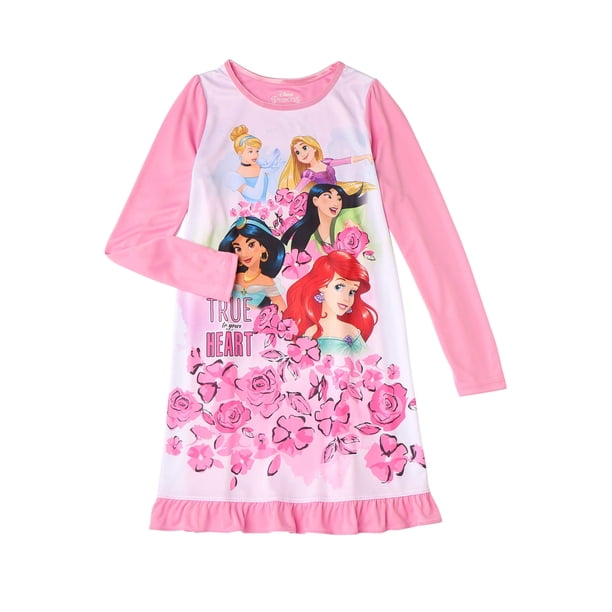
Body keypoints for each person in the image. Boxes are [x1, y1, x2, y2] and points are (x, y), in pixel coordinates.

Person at [282, 250, 378, 355]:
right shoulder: (311, 332)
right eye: (339, 287)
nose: (346, 298)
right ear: (322, 286)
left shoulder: (351, 331)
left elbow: (367, 359)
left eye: (352, 292)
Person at [218, 216, 287, 311]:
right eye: (238, 249)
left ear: (263, 247)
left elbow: (282, 310)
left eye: (251, 245)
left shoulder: (267, 282)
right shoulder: (233, 277)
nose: (244, 254)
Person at [281, 183, 367, 254]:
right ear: (315, 201)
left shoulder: (347, 221)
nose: (336, 203)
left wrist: (358, 231)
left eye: (339, 199)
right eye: (329, 196)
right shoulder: (307, 236)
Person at [278, 134, 375, 195]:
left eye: (304, 148)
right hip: (328, 196)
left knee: (365, 188)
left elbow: (346, 161)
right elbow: (298, 188)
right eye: (297, 152)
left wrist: (364, 156)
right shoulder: (309, 173)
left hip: (339, 188)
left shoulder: (326, 162)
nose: (302, 154)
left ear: (314, 148)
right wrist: (291, 194)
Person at [225, 125, 280, 203]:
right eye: (250, 151)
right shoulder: (234, 177)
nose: (255, 155)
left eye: (257, 151)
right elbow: (255, 195)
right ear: (240, 153)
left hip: (268, 208)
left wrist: (272, 173)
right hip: (249, 210)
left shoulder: (260, 165)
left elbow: (273, 190)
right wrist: (262, 172)